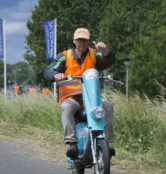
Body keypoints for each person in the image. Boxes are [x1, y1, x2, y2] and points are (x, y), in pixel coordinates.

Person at [44, 27, 115, 158]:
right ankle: (72, 143)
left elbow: (108, 61)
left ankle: (107, 143)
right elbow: (48, 70)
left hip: (93, 98)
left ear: (88, 41)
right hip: (73, 98)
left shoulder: (94, 54)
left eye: (85, 40)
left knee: (108, 105)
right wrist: (55, 75)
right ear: (74, 41)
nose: (82, 43)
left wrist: (105, 52)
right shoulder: (65, 56)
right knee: (67, 107)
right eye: (79, 40)